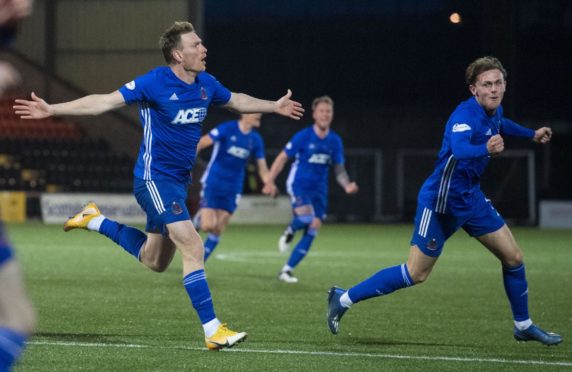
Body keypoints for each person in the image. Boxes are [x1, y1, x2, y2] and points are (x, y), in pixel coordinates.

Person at [13, 21, 304, 350]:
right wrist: (52, 108)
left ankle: (93, 219)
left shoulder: (205, 83)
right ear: (179, 54)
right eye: (196, 45)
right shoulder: (154, 82)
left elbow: (236, 100)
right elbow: (103, 102)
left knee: (155, 261)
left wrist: (274, 106)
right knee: (193, 246)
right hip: (154, 179)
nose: (203, 49)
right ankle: (212, 330)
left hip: (178, 183)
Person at [326, 56, 562, 346]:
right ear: (473, 89)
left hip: (470, 198)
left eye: (499, 82)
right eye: (487, 84)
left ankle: (523, 325)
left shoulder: (493, 110)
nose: (494, 89)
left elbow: (503, 122)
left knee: (513, 257)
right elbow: (461, 149)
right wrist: (486, 147)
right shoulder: (464, 117)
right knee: (416, 273)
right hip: (441, 202)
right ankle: (343, 298)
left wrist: (531, 134)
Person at [263, 96, 358, 283]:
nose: (325, 114)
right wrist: (269, 181)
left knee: (313, 227)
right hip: (299, 184)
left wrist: (347, 184)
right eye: (321, 111)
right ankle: (290, 230)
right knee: (306, 218)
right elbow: (282, 158)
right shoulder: (304, 136)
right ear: (314, 114)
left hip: (319, 190)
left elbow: (338, 168)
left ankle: (286, 270)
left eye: (328, 111)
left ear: (332, 115)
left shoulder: (335, 141)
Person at [192, 113, 278, 261]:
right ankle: (199, 219)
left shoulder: (255, 139)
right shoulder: (227, 128)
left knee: (218, 228)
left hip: (234, 186)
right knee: (207, 226)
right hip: (214, 181)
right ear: (245, 114)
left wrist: (268, 183)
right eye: (256, 112)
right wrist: (188, 162)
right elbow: (202, 142)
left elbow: (262, 167)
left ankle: (200, 262)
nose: (259, 114)